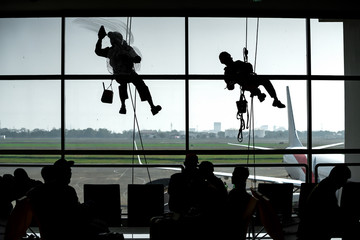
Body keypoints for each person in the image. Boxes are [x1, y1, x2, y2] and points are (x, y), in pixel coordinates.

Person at [95, 25, 162, 115]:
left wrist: (100, 39)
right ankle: (151, 107)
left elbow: (98, 51)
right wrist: (131, 58)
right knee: (141, 86)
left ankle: (123, 106)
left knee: (126, 85)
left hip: (122, 74)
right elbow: (137, 59)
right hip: (129, 73)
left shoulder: (112, 51)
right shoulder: (126, 49)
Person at [297, 165, 351, 240]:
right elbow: (332, 212)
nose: (343, 184)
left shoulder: (324, 185)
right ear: (338, 178)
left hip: (310, 230)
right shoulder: (327, 190)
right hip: (316, 232)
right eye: (344, 180)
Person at [219, 51, 285, 108]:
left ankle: (275, 99)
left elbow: (249, 66)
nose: (231, 58)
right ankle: (261, 94)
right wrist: (232, 82)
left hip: (251, 80)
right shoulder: (228, 72)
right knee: (261, 81)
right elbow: (231, 87)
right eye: (228, 57)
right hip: (247, 84)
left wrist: (240, 73)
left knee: (265, 80)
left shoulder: (237, 64)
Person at [226, 166, 252, 239]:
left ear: (240, 177)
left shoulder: (234, 194)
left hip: (232, 229)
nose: (232, 177)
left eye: (234, 175)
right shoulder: (246, 196)